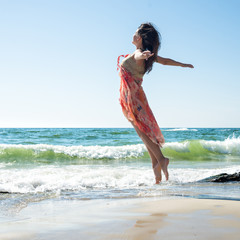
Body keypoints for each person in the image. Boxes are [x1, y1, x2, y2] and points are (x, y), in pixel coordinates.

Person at [117, 23, 194, 184]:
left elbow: (138, 56)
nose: (132, 35)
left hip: (133, 98)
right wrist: (182, 64)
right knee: (145, 131)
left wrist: (142, 55)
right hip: (138, 96)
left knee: (142, 132)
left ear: (139, 38)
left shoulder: (139, 53)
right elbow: (164, 61)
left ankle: (161, 159)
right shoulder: (147, 55)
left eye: (135, 33)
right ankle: (157, 174)